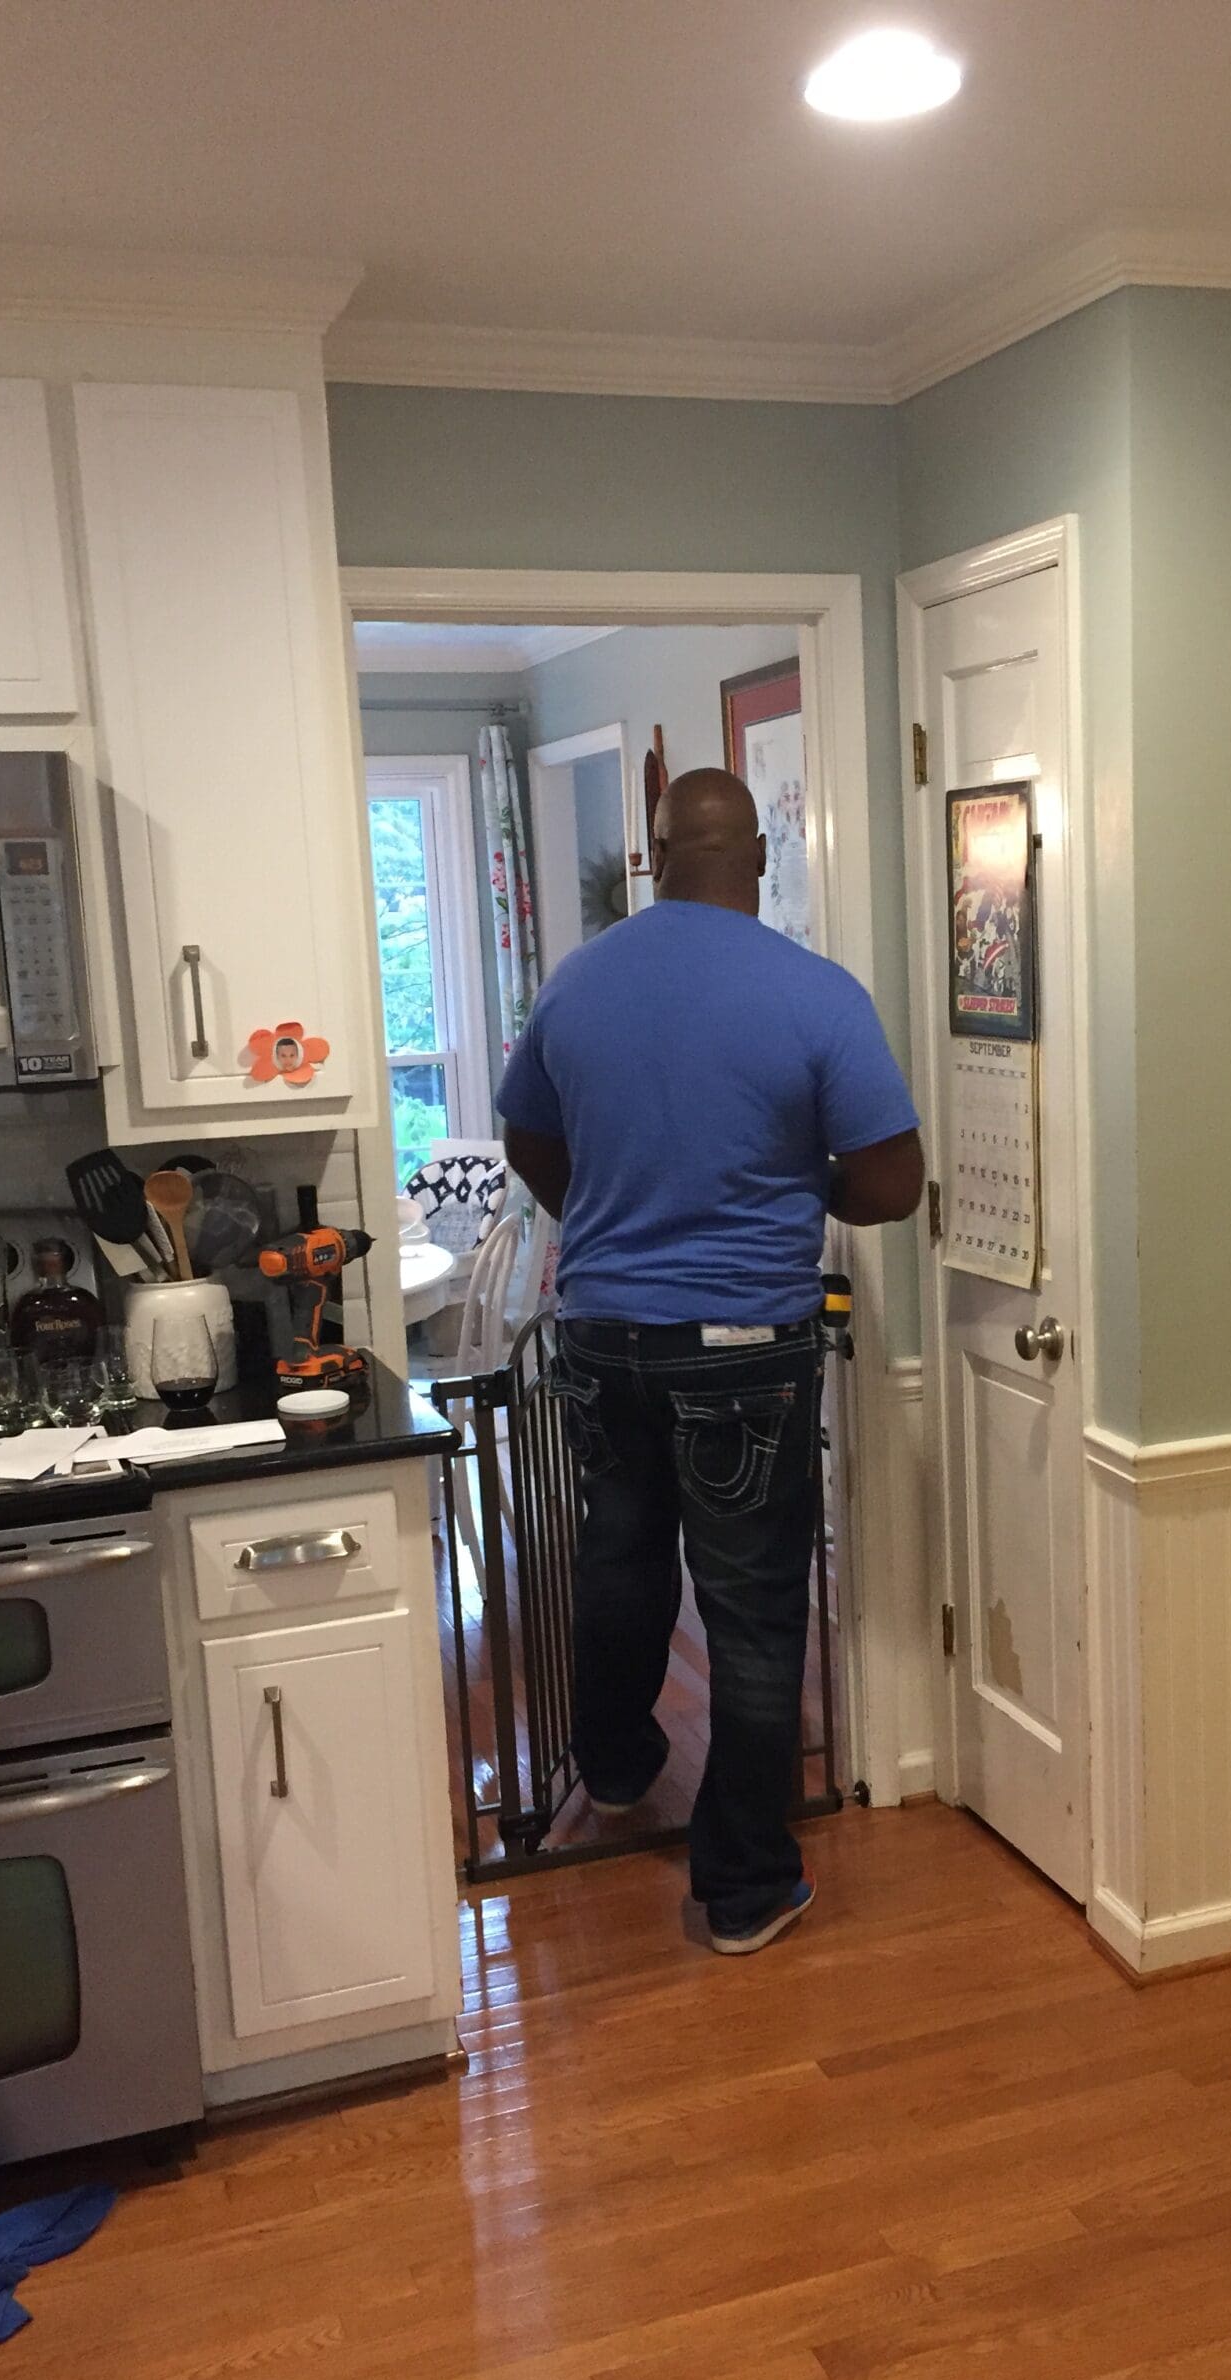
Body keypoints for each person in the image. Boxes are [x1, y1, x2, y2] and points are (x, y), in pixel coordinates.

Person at [500, 767, 923, 1955]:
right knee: (750, 1608)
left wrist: (610, 1216)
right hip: (743, 1342)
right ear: (760, 858)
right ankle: (741, 1889)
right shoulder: (815, 993)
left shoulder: (577, 983)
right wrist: (795, 1186)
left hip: (601, 1331)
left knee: (619, 1558)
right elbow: (893, 1183)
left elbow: (528, 1140)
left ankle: (618, 1766)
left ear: (655, 853)